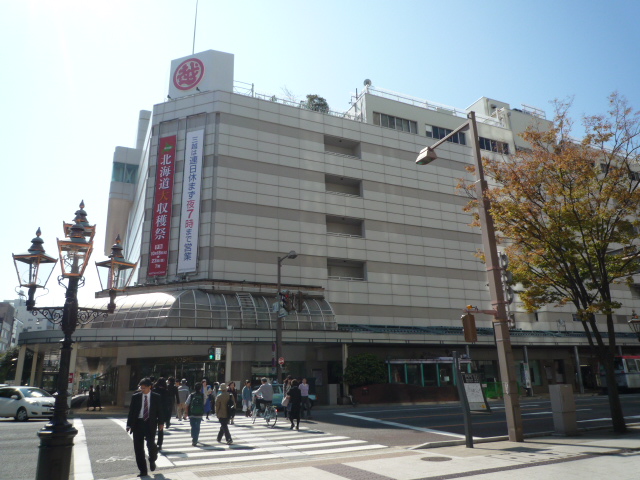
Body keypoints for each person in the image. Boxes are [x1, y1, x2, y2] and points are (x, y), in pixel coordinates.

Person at [126, 378, 164, 477]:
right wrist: (129, 424)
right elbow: (131, 412)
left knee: (151, 445)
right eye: (141, 387)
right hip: (138, 423)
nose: (142, 389)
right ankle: (143, 470)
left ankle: (152, 459)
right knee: (138, 448)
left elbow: (160, 410)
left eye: (144, 388)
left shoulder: (156, 397)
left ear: (149, 387)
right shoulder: (136, 397)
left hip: (150, 423)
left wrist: (161, 423)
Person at [185, 382, 205, 446]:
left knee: (193, 426)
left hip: (192, 413)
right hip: (199, 414)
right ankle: (195, 439)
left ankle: (194, 437)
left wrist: (186, 413)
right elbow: (204, 403)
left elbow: (187, 404)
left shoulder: (191, 395)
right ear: (200, 388)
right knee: (197, 426)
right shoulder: (202, 395)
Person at [152, 378, 170, 449]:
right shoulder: (166, 391)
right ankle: (159, 443)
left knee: (152, 428)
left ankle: (152, 441)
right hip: (162, 412)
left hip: (154, 411)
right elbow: (167, 403)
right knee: (160, 428)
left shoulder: (154, 390)